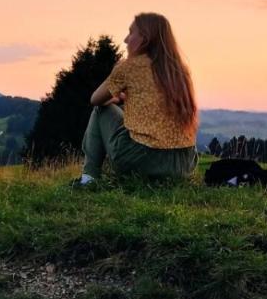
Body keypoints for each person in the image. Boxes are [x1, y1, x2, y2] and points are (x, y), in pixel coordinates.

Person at [77, 12, 199, 185]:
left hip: (141, 161)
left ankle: (88, 178)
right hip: (182, 165)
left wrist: (117, 77)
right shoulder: (180, 71)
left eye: (131, 33)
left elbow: (95, 99)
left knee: (100, 110)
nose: (126, 39)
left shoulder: (129, 67)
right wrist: (123, 98)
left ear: (145, 38)